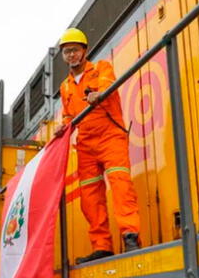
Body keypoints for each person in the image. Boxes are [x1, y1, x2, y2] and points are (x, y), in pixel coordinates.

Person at [55, 28, 141, 264]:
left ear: (85, 51)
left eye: (74, 50)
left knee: (120, 185)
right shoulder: (65, 87)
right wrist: (62, 126)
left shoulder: (102, 67)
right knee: (90, 198)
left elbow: (106, 85)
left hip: (110, 135)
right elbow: (67, 115)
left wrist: (98, 94)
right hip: (85, 144)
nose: (71, 55)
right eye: (66, 52)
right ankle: (102, 245)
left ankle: (130, 236)